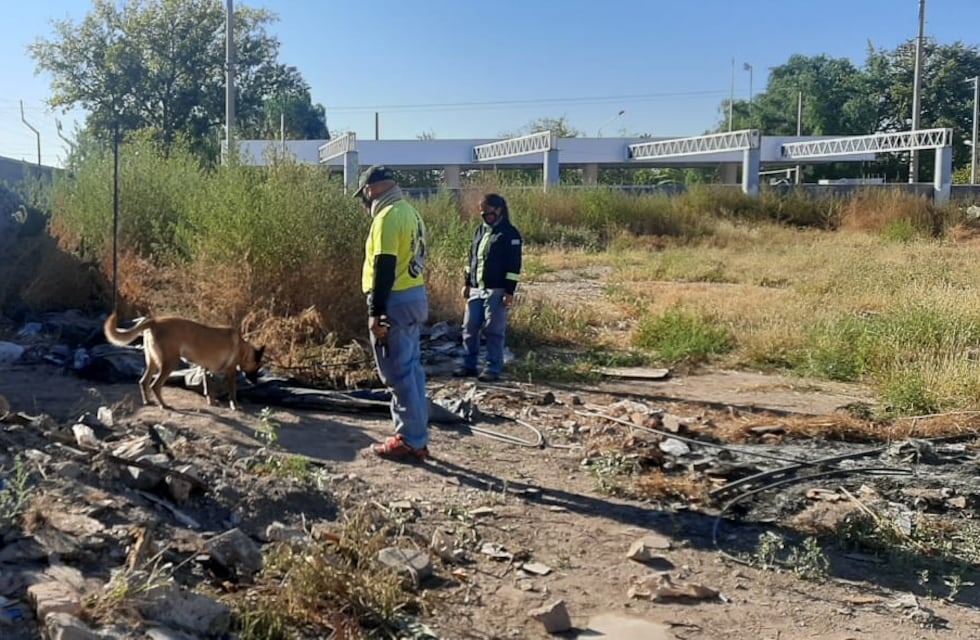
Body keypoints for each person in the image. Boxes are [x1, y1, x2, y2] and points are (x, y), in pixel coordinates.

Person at [354, 165, 430, 460]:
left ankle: (410, 440)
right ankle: (418, 435)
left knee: (397, 373)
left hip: (394, 300)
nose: (364, 202)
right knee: (411, 370)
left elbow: (385, 266)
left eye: (363, 195)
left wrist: (377, 312)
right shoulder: (411, 212)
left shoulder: (386, 217)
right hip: (414, 295)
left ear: (371, 190)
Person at [453, 193, 523, 383]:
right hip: (476, 289)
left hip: (497, 290)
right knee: (470, 327)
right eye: (482, 212)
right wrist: (467, 283)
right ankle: (469, 364)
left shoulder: (510, 234)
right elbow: (472, 260)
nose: (484, 216)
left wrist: (509, 291)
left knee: (493, 330)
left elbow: (514, 266)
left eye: (488, 212)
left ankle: (493, 367)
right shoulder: (479, 232)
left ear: (498, 210)